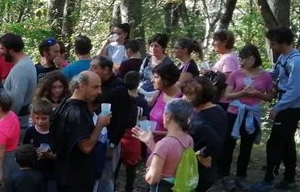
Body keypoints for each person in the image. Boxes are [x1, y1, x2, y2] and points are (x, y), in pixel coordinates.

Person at [263, 26, 300, 189]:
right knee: (287, 142)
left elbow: (295, 91)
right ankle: (289, 178)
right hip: (286, 105)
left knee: (275, 143)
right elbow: (274, 74)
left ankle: (269, 178)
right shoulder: (283, 58)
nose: (271, 47)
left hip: (291, 108)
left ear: (284, 43)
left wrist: (277, 108)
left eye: (274, 43)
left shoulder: (297, 61)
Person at [220, 44, 274, 179]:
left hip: (252, 114)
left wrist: (256, 93)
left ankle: (241, 175)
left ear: (254, 58)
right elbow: (227, 95)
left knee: (246, 146)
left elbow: (269, 97)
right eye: (242, 58)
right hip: (234, 111)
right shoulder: (235, 74)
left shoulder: (266, 76)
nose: (243, 61)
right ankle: (223, 172)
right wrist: (242, 93)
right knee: (228, 143)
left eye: (246, 58)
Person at [51, 71, 111, 192]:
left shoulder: (65, 104)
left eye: (100, 86)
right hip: (77, 179)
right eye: (95, 87)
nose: (99, 91)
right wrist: (99, 125)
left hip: (65, 174)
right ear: (82, 86)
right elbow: (86, 147)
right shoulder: (77, 113)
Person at [90, 55, 136, 192]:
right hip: (93, 136)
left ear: (106, 69)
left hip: (110, 139)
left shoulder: (119, 88)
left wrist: (112, 143)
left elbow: (122, 119)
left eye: (95, 67)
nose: (91, 70)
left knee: (106, 176)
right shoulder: (97, 85)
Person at [132, 98, 194, 192]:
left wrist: (148, 173)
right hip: (179, 187)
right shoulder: (189, 139)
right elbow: (168, 157)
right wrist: (150, 142)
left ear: (168, 116)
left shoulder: (164, 144)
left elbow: (152, 179)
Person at [183, 77, 226, 191]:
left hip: (197, 170)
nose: (184, 98)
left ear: (198, 97)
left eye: (187, 95)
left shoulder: (199, 121)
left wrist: (202, 153)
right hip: (210, 168)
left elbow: (216, 142)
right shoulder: (218, 109)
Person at [20, 101, 56, 191]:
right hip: (34, 173)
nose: (40, 121)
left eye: (44, 118)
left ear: (49, 117)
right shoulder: (30, 132)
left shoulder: (55, 133)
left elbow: (62, 155)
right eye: (37, 118)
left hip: (51, 174)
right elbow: (25, 150)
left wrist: (49, 156)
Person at [1, 33, 36, 117]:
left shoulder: (20, 69)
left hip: (19, 119)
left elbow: (16, 101)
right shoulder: (26, 62)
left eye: (2, 48)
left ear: (11, 49)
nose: (1, 52)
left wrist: (6, 120)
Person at [147, 61, 182, 139]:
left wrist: (158, 133)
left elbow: (184, 133)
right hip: (152, 145)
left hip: (168, 148)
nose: (152, 80)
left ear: (166, 79)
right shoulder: (160, 93)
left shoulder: (181, 101)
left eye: (156, 77)